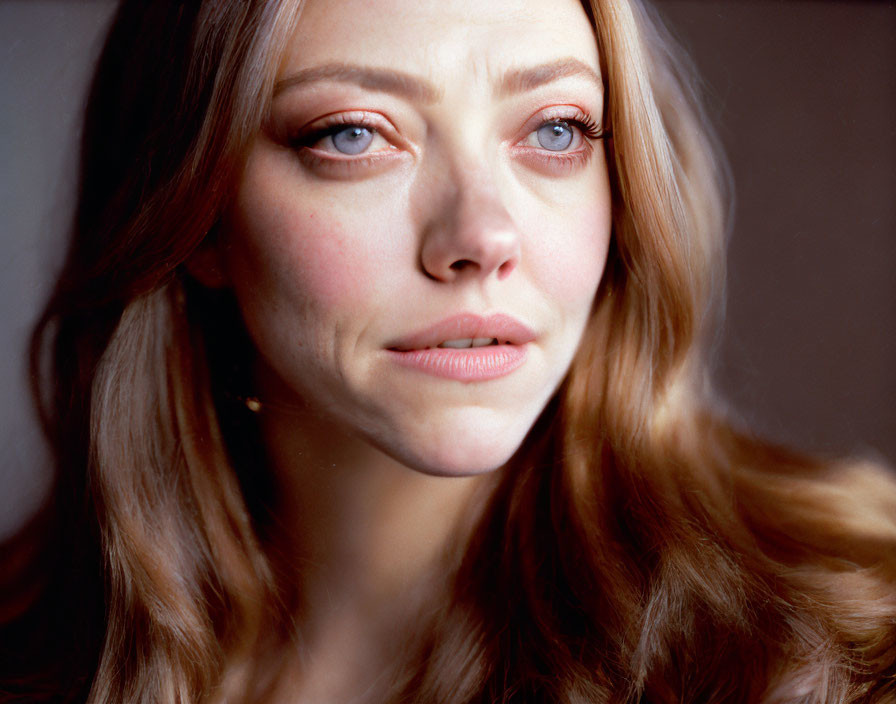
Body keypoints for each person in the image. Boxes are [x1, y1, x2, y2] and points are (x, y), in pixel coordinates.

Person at [2, 0, 895, 701]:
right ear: (197, 217)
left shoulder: (833, 654)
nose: (483, 236)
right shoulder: (30, 647)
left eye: (556, 130)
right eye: (354, 133)